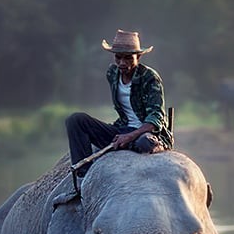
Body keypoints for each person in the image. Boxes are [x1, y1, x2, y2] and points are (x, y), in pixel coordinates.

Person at [66, 29, 173, 176]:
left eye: (128, 58)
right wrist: (123, 133)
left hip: (145, 132)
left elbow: (156, 118)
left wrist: (130, 136)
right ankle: (84, 173)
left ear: (138, 57)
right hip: (122, 129)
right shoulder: (112, 73)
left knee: (145, 143)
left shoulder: (150, 78)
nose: (122, 63)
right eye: (118, 57)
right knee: (76, 120)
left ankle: (130, 144)